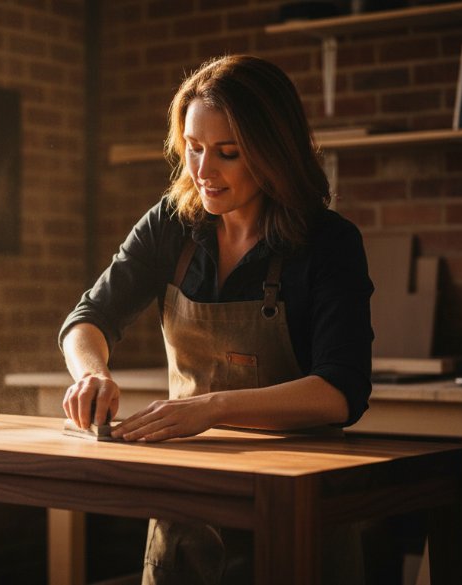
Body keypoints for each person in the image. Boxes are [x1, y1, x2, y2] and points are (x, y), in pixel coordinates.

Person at [58, 55, 375, 585]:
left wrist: (212, 409)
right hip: (188, 508)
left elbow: (341, 391)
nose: (203, 171)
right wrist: (92, 372)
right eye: (194, 149)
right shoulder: (173, 224)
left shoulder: (329, 243)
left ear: (273, 152)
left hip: (293, 510)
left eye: (227, 153)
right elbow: (88, 317)